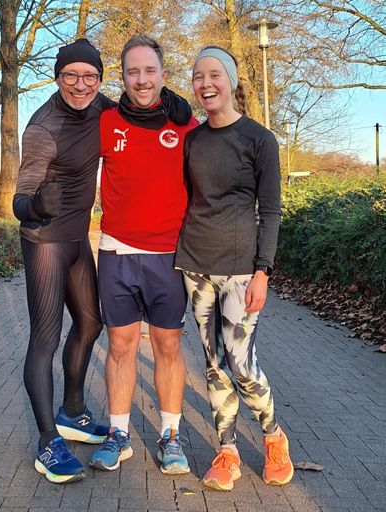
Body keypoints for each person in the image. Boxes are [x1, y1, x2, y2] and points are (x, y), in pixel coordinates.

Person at [175, 46, 294, 491]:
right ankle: (227, 451)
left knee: (241, 363)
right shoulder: (192, 140)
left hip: (242, 270)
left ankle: (273, 436)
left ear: (231, 80)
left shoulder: (260, 140)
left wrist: (264, 271)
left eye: (214, 75)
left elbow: (271, 211)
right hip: (196, 265)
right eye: (197, 77)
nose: (205, 84)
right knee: (213, 364)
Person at [89, 35, 198, 475]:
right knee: (120, 345)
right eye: (133, 71)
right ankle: (119, 435)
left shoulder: (186, 126)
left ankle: (170, 435)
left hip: (168, 257)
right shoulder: (106, 122)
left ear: (163, 75)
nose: (141, 79)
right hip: (116, 253)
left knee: (168, 345)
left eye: (149, 70)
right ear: (123, 77)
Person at [12, 38, 115, 484]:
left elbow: (139, 111)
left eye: (89, 76)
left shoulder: (102, 106)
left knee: (91, 323)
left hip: (77, 239)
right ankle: (47, 442)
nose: (80, 84)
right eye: (70, 75)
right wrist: (35, 206)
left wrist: (170, 103)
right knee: (46, 338)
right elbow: (19, 199)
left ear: (99, 80)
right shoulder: (43, 127)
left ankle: (73, 411)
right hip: (46, 240)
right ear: (57, 78)